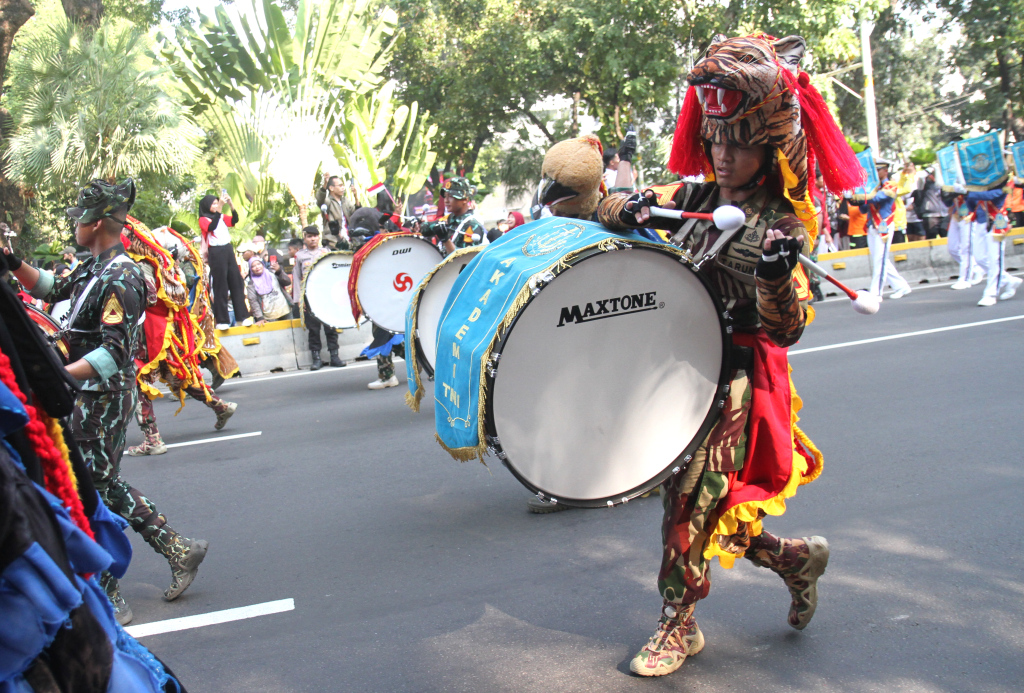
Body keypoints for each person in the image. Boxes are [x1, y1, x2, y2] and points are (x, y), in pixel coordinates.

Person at [595, 33, 855, 678]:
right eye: (716, 140)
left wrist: (772, 276)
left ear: (769, 144)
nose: (722, 153)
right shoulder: (693, 198)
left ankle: (677, 625)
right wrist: (620, 207)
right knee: (705, 502)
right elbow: (609, 211)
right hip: (675, 372)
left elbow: (786, 330)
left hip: (736, 378)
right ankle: (794, 559)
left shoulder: (787, 224)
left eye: (738, 142)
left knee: (689, 499)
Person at [4, 179, 208, 625]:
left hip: (102, 399)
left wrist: (55, 375)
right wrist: (13, 262)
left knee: (86, 491)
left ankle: (109, 594)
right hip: (87, 394)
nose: (74, 227)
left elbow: (114, 353)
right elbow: (51, 289)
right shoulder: (94, 267)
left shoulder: (122, 276)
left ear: (96, 224)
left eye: (79, 219)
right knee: (102, 484)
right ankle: (178, 549)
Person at [123, 221, 240, 457]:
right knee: (181, 376)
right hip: (168, 333)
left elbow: (150, 297)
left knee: (139, 382)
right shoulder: (169, 266)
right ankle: (220, 405)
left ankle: (152, 439)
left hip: (151, 335)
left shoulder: (145, 264)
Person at [851, 159, 912, 299]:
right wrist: (857, 199)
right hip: (872, 225)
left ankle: (876, 293)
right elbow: (863, 208)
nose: (875, 173)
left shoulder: (891, 185)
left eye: (878, 170)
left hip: (883, 226)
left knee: (880, 260)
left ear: (885, 170)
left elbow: (878, 198)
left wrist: (860, 196)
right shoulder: (872, 188)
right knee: (879, 259)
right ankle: (901, 286)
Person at [293, 225, 345, 369]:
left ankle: (334, 356)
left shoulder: (325, 252)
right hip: (309, 298)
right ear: (305, 238)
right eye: (309, 236)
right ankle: (316, 359)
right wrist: (299, 300)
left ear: (319, 237)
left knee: (330, 327)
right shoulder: (300, 256)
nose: (313, 239)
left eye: (315, 236)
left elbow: (333, 273)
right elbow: (297, 279)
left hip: (326, 295)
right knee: (313, 329)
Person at [199, 193, 253, 330]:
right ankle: (222, 320)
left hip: (228, 249)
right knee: (220, 285)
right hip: (216, 252)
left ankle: (243, 316)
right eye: (213, 204)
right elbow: (211, 227)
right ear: (207, 206)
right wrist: (220, 208)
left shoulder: (222, 216)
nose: (216, 205)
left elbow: (234, 220)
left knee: (236, 282)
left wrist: (231, 205)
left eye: (217, 203)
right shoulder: (203, 219)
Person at [419, 177, 486, 253]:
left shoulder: (472, 225)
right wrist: (418, 224)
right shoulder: (449, 219)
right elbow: (427, 229)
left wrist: (445, 240)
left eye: (451, 196)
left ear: (465, 199)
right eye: (445, 196)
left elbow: (465, 259)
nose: (446, 201)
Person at [246, 256, 292, 324]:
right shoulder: (251, 284)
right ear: (251, 269)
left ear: (263, 264)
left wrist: (279, 271)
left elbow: (287, 282)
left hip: (285, 311)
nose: (257, 267)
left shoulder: (273, 273)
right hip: (269, 317)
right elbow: (253, 302)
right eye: (253, 266)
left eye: (259, 264)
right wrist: (260, 317)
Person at [317, 174, 355, 249]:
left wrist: (356, 196)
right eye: (340, 186)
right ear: (331, 188)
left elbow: (355, 213)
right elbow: (320, 200)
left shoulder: (345, 200)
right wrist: (325, 185)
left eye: (343, 185)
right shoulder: (327, 201)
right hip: (333, 243)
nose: (343, 188)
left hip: (349, 242)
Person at [919, 168, 949, 239]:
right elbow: (920, 176)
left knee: (946, 236)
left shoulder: (945, 183)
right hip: (930, 215)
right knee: (931, 236)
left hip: (944, 214)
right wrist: (931, 169)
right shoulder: (925, 184)